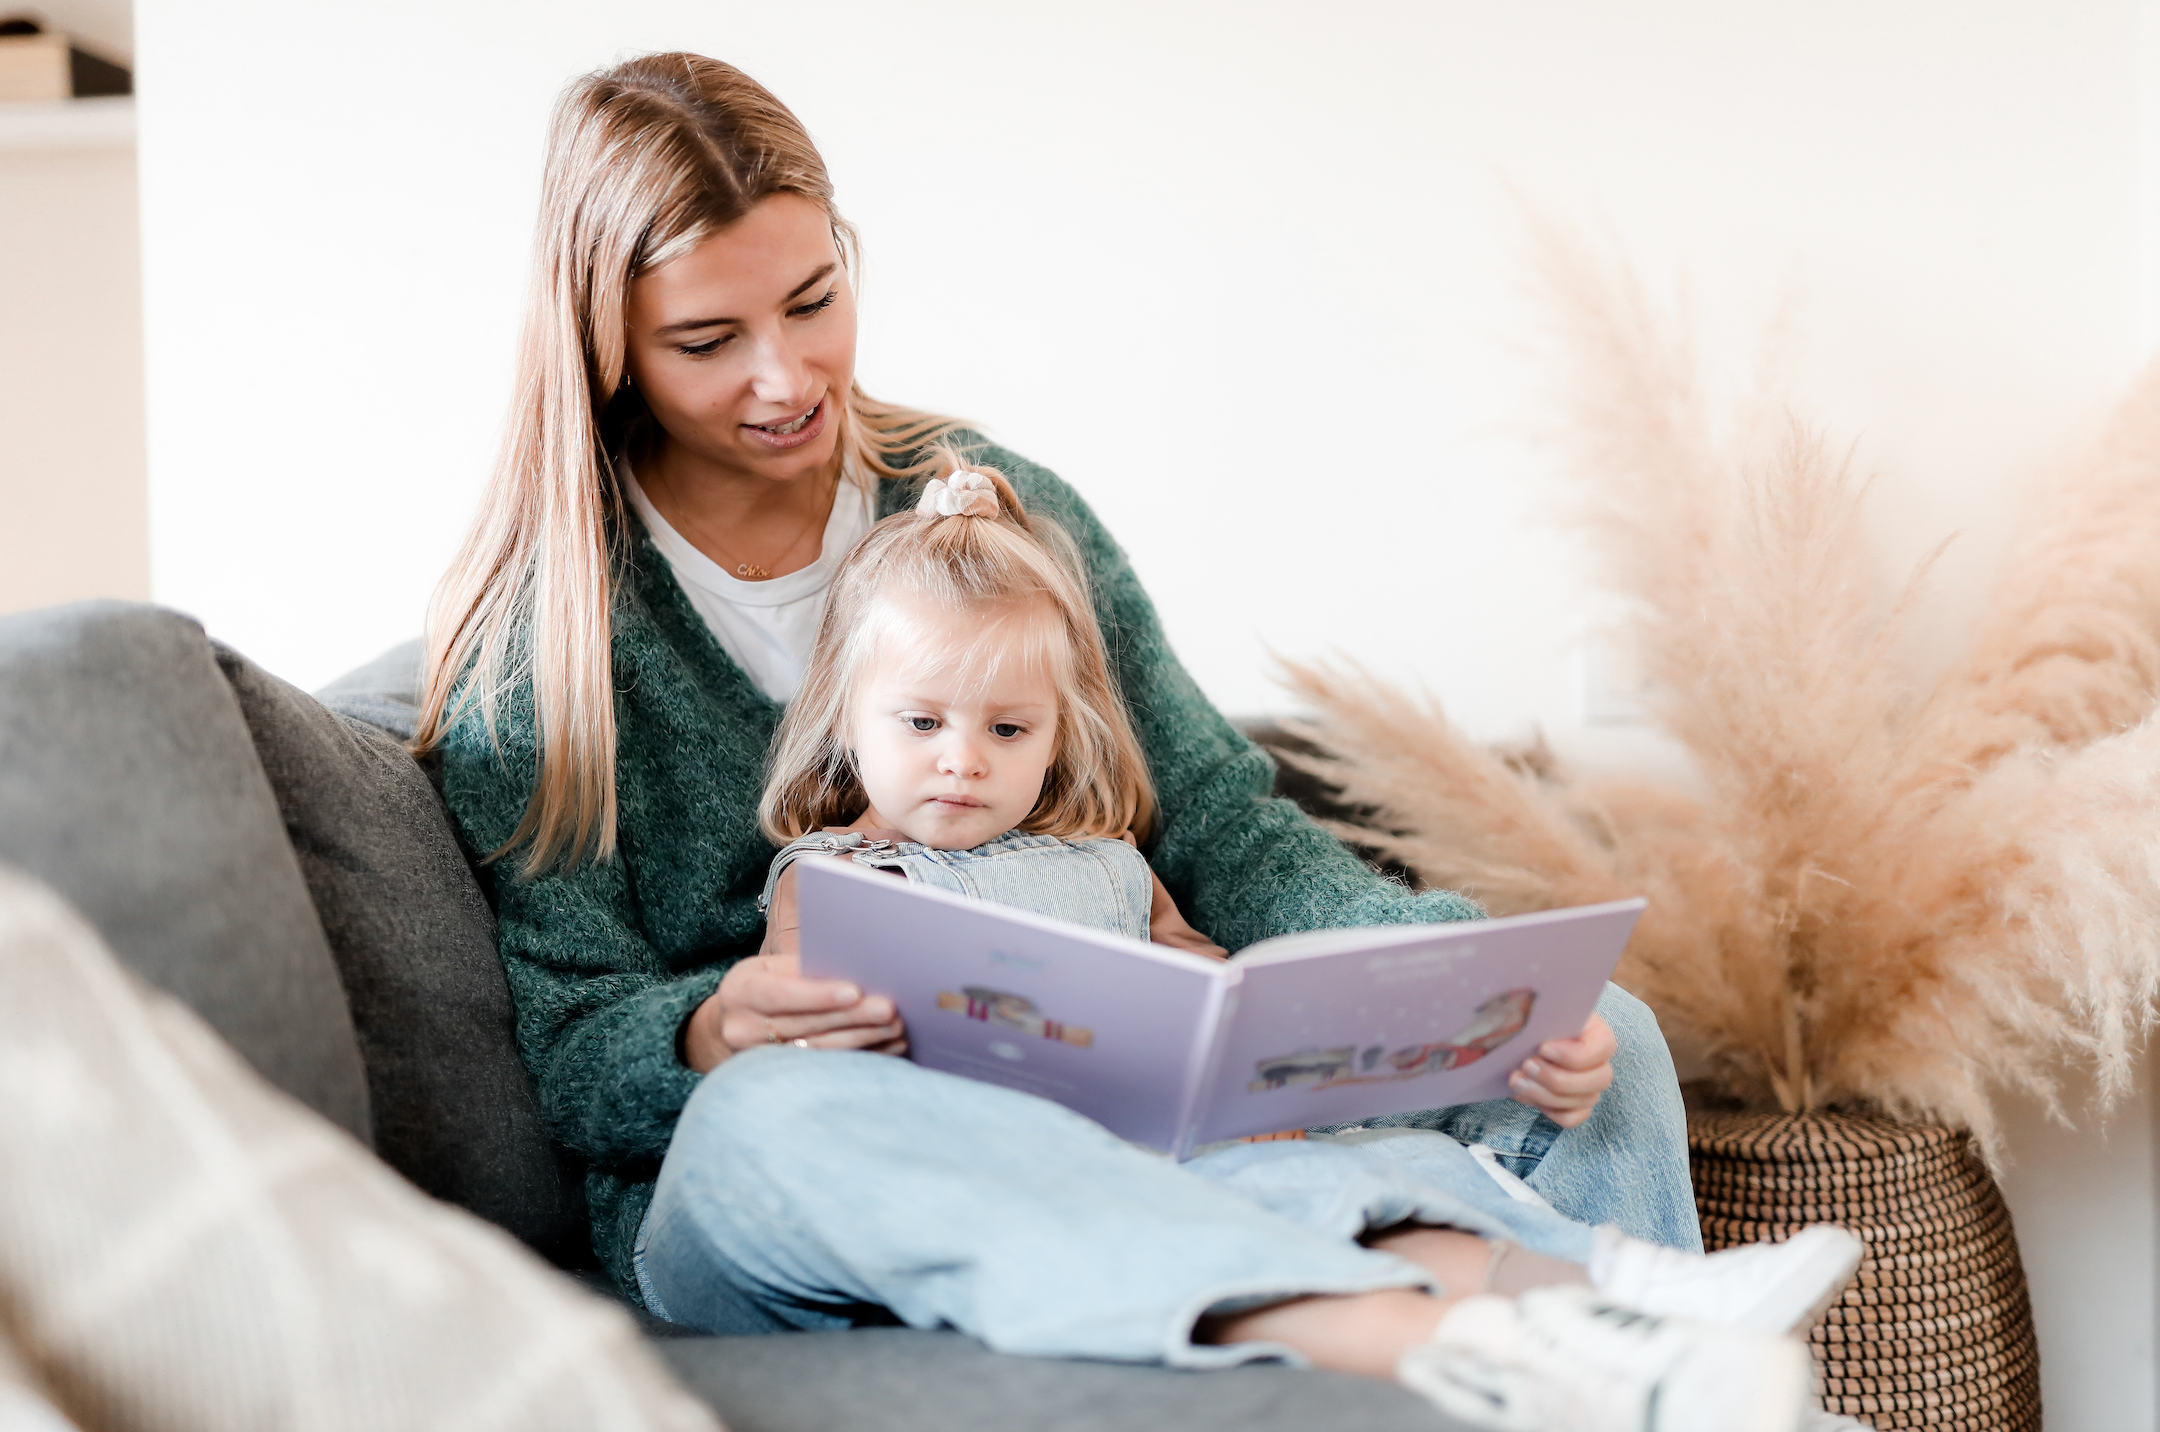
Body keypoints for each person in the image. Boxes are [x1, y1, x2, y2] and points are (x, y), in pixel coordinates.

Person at [414, 51, 1846, 1431]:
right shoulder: (541, 648)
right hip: (813, 1166)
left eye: (815, 301)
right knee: (771, 1120)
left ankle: (1636, 1388)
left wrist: (1446, 976)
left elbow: (1223, 823)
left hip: (1119, 1114)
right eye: (710, 341)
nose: (786, 379)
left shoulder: (995, 504)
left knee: (1606, 1042)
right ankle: (1521, 1326)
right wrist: (710, 1029)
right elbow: (568, 1029)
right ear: (602, 340)